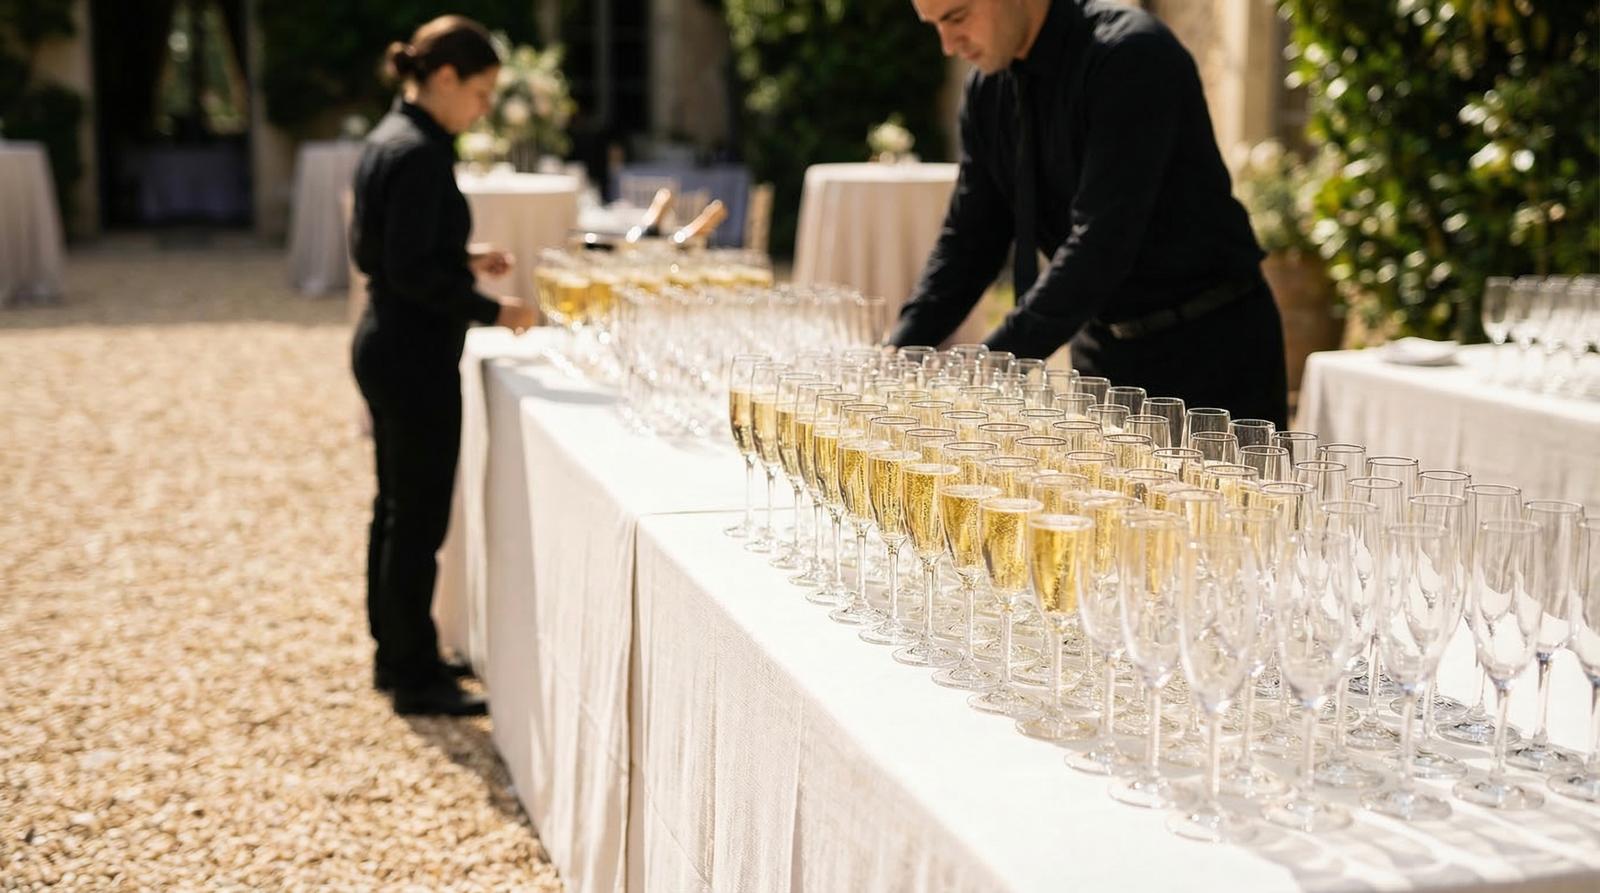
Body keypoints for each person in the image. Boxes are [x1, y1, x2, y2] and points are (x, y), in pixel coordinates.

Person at [896, 0, 1288, 427]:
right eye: (934, 25)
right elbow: (969, 240)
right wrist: (898, 353)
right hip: (1102, 357)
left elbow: (1102, 241)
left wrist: (990, 366)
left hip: (1211, 353)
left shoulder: (1130, 55)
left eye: (956, 17)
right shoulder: (986, 90)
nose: (948, 44)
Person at [351, 15, 537, 716]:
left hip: (385, 343)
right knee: (417, 520)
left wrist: (463, 258)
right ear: (446, 77)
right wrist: (495, 311)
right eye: (481, 92)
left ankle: (397, 651)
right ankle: (413, 674)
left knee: (395, 510)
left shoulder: (391, 135)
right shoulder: (421, 152)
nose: (484, 109)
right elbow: (405, 270)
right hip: (412, 354)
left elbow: (380, 250)